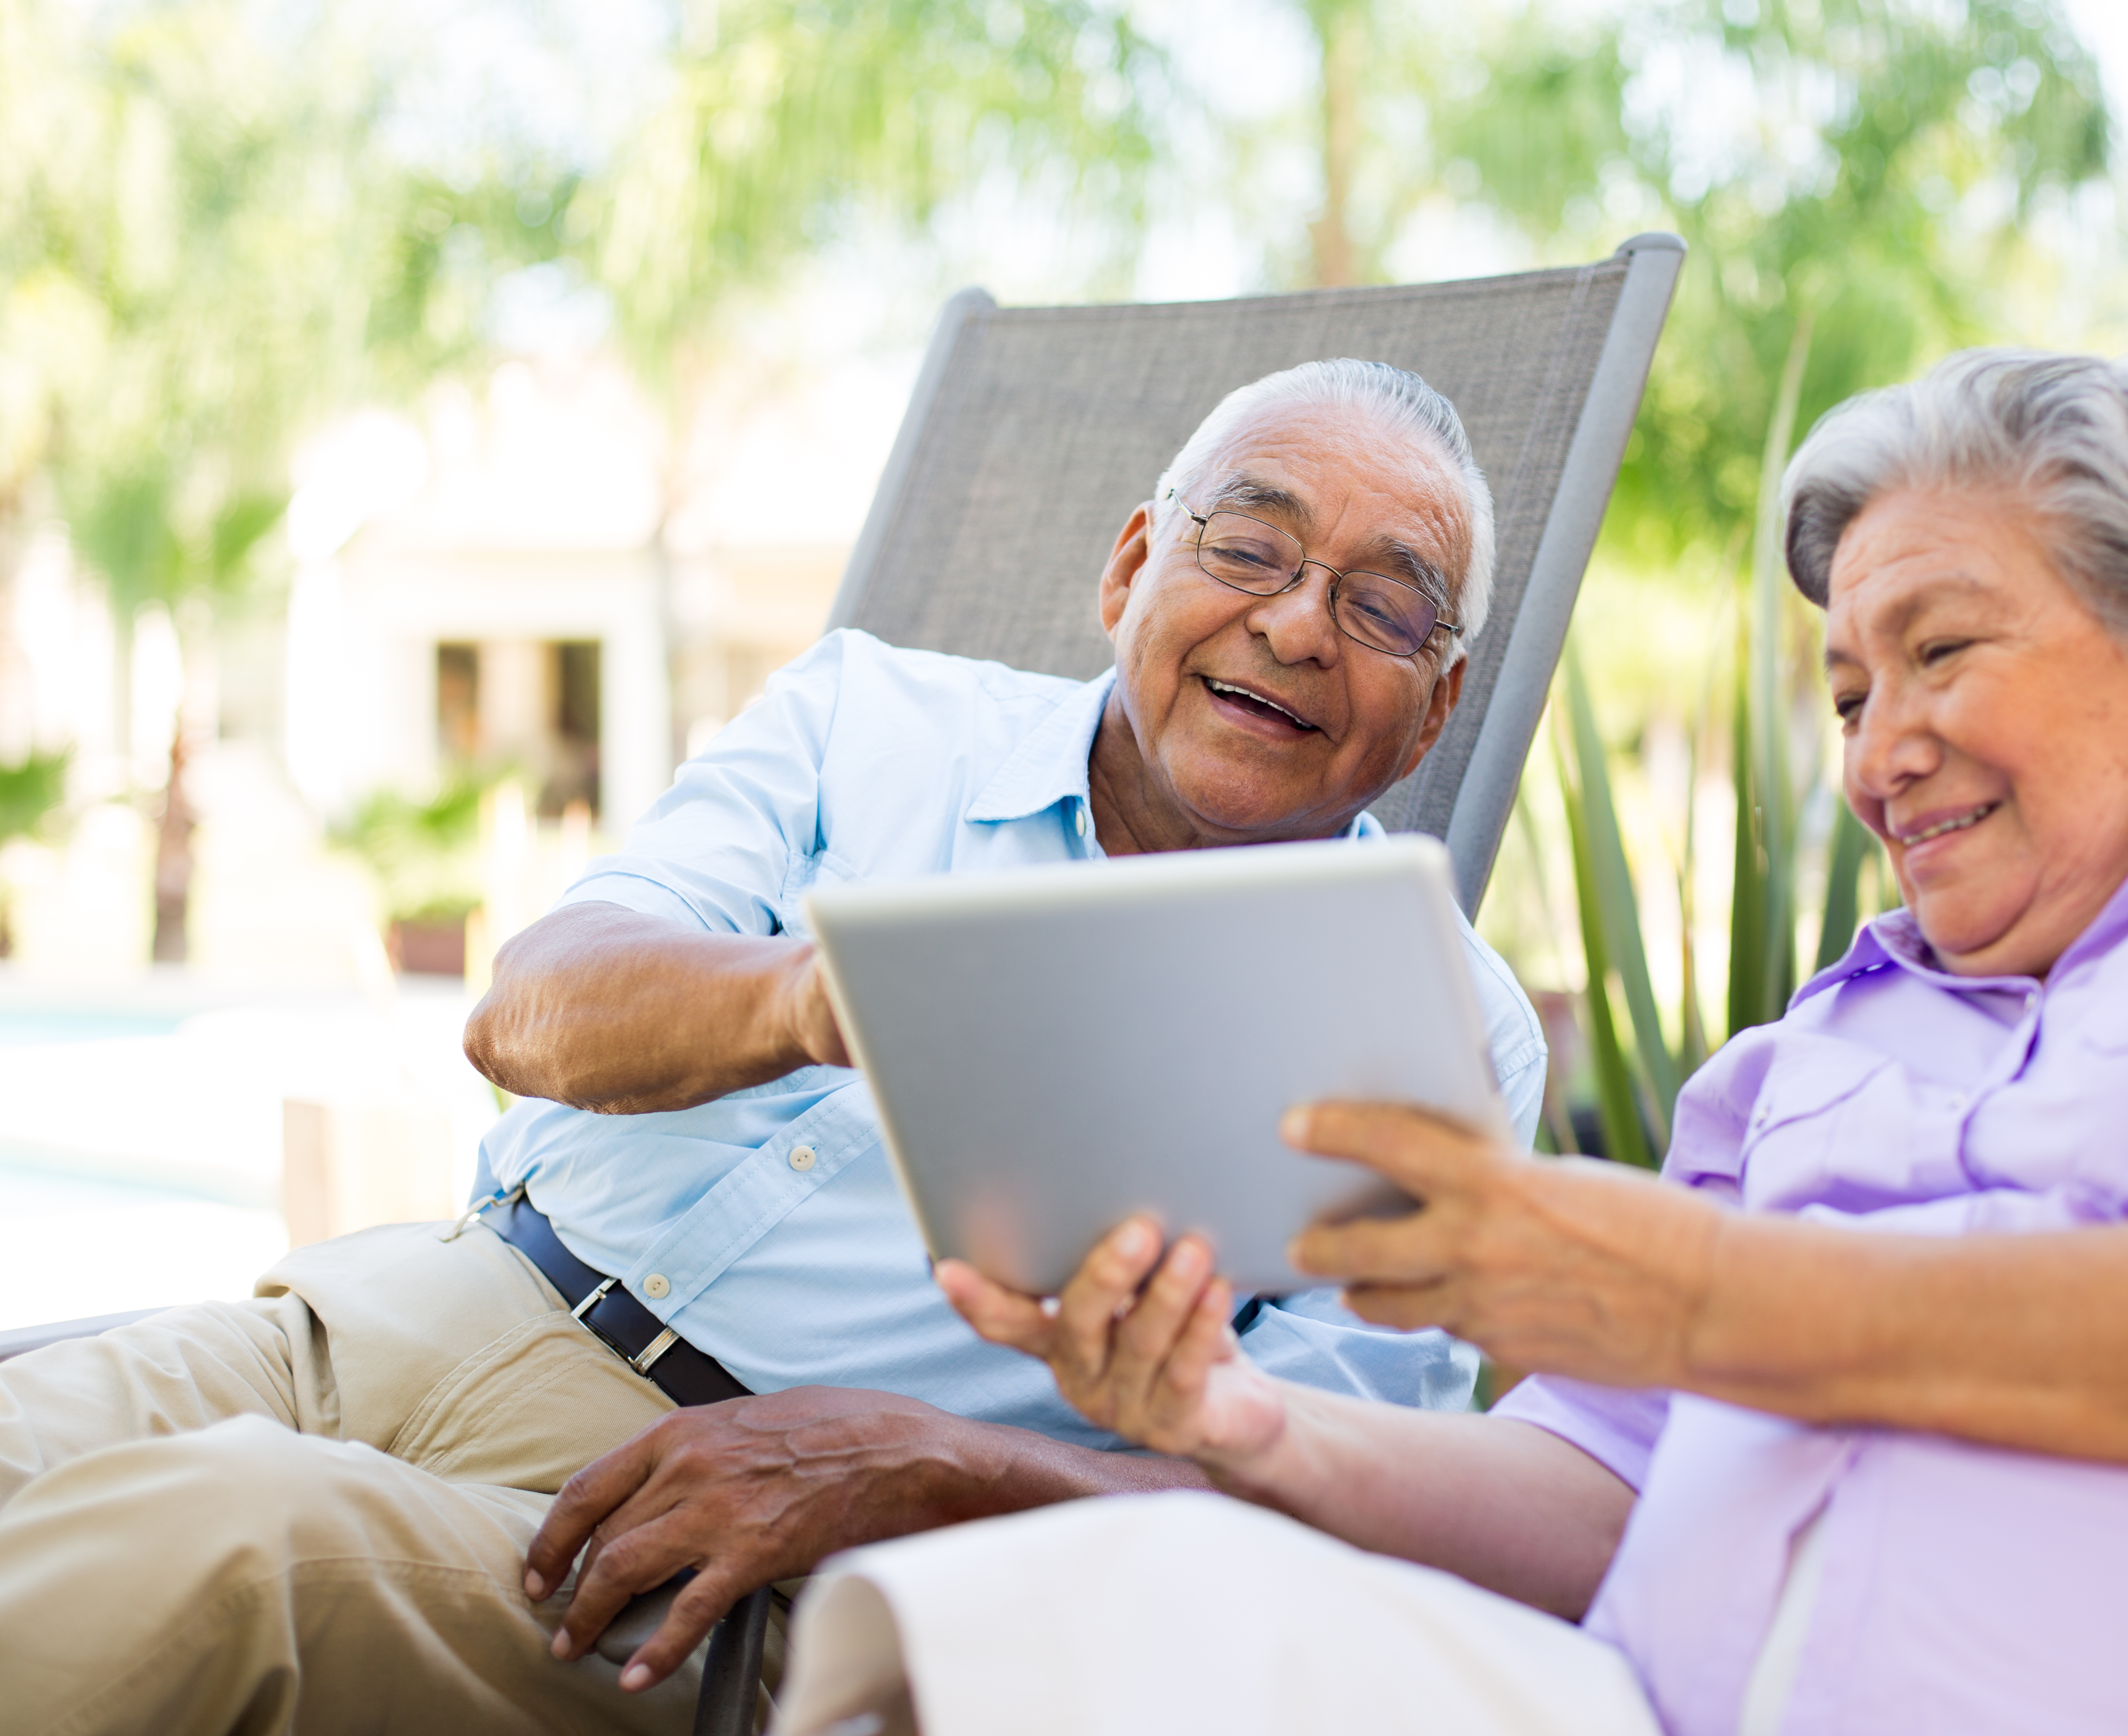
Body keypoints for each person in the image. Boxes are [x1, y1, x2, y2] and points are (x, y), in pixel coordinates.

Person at [766, 349, 2128, 1736]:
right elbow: (1591, 1498)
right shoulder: (1806, 1057)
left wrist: (1694, 1291)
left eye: (1943, 654)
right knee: (1068, 1618)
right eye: (1852, 690)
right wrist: (1237, 1423)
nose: (1877, 751)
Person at [0, 359, 1548, 1736]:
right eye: (1250, 547)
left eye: (1385, 606)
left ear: (1435, 709)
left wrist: (928, 1464)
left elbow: (1346, 1507)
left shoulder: (1440, 1033)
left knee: (218, 1544)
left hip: (720, 1537)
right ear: (1135, 564)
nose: (1294, 624)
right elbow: (525, 1013)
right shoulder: (868, 718)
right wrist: (825, 997)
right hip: (391, 1312)